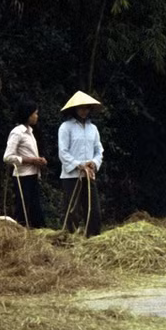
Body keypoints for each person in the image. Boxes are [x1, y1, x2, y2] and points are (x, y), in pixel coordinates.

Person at [58, 90, 104, 236]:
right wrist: (79, 165)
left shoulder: (93, 129)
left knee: (93, 209)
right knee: (72, 209)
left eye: (86, 108)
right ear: (75, 109)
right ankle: (70, 238)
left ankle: (93, 237)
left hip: (89, 175)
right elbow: (63, 152)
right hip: (72, 175)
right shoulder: (66, 127)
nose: (84, 111)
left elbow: (99, 150)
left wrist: (93, 163)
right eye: (80, 108)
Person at [3, 98, 47, 228]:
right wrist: (31, 160)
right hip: (22, 177)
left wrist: (39, 161)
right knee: (22, 208)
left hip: (33, 174)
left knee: (35, 208)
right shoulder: (17, 132)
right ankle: (19, 235)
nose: (36, 116)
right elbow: (7, 157)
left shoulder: (30, 132)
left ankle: (38, 234)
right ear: (28, 114)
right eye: (35, 113)